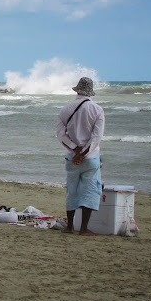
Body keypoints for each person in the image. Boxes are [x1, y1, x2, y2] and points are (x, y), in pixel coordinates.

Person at [56, 77, 105, 236]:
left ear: (76, 90)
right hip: (90, 158)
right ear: (90, 92)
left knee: (72, 191)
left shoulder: (65, 109)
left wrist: (75, 150)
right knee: (90, 191)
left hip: (72, 157)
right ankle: (83, 228)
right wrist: (84, 153)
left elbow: (61, 135)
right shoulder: (97, 110)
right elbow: (96, 137)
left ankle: (70, 227)